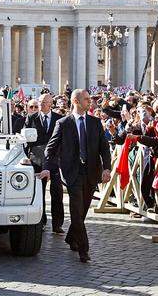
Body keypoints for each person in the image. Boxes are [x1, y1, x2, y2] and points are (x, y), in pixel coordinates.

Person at [39, 89, 111, 263]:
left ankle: (72, 237)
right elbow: (51, 148)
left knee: (83, 209)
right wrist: (48, 168)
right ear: (76, 101)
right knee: (76, 210)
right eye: (86, 99)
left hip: (91, 172)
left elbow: (104, 147)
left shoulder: (95, 122)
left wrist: (106, 169)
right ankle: (84, 249)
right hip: (72, 173)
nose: (90, 102)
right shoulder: (64, 123)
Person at [23, 94, 63, 233]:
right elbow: (25, 138)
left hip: (54, 160)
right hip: (37, 159)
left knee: (57, 192)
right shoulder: (31, 118)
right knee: (38, 192)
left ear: (51, 103)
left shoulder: (59, 119)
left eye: (44, 102)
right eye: (40, 102)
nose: (41, 104)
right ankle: (41, 221)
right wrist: (26, 156)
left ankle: (57, 224)